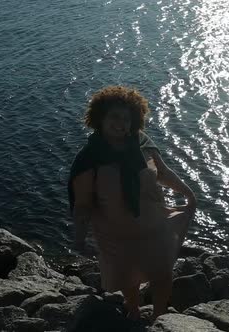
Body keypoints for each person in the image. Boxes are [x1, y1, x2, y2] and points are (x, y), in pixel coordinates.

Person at [67, 86, 196, 320]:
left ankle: (160, 317)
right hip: (117, 235)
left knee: (163, 274)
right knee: (128, 279)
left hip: (154, 225)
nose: (121, 123)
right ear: (100, 118)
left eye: (127, 118)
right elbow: (83, 205)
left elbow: (163, 173)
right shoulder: (89, 158)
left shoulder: (142, 143)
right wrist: (79, 238)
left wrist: (189, 194)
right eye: (115, 116)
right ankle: (134, 312)